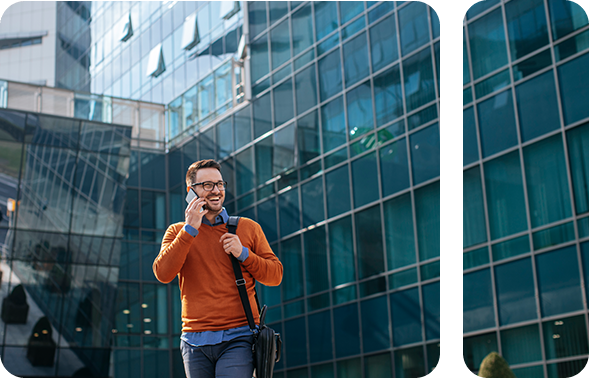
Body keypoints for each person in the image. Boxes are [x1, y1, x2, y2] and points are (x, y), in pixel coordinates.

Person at [153, 159, 283, 378]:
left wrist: (244, 253)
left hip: (240, 336)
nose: (216, 191)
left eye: (220, 184)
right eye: (207, 185)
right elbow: (163, 274)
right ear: (191, 191)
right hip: (194, 341)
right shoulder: (177, 232)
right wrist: (189, 231)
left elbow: (275, 275)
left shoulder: (247, 227)